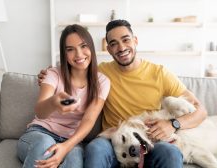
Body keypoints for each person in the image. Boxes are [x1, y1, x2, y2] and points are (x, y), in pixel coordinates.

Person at [38, 20, 207, 168]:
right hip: (113, 141)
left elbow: (200, 111)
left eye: (126, 40)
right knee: (95, 148)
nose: (121, 47)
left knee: (170, 153)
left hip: (151, 141)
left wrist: (173, 124)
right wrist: (48, 75)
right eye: (113, 43)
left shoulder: (160, 73)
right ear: (109, 49)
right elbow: (76, 66)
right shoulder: (101, 73)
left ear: (135, 41)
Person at [17, 24, 110, 168]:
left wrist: (65, 147)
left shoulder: (102, 81)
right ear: (64, 54)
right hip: (40, 133)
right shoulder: (53, 74)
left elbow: (89, 120)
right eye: (70, 49)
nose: (79, 54)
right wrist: (54, 101)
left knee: (75, 158)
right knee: (45, 145)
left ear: (91, 47)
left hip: (71, 140)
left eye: (83, 46)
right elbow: (40, 112)